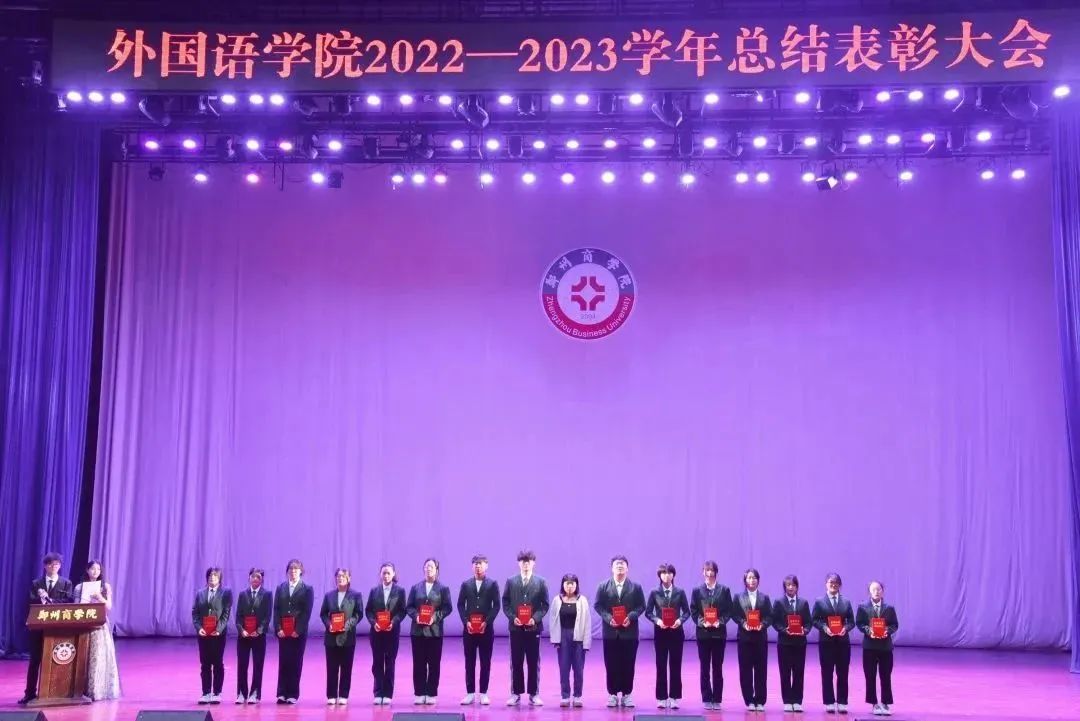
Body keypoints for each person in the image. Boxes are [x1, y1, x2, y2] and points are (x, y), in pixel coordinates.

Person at [19, 552, 73, 705]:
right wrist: (41, 598)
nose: (53, 567)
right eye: (50, 564)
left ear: (60, 566)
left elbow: (69, 601)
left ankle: (55, 692)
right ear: (45, 566)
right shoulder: (36, 583)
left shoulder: (66, 583)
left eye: (56, 564)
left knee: (57, 659)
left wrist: (50, 601)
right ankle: (29, 693)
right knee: (35, 660)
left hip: (58, 628)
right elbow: (30, 601)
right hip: (39, 627)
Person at [594, 555, 647, 708]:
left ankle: (627, 694)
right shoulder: (603, 586)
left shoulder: (635, 587)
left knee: (628, 663)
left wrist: (631, 616)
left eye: (622, 564)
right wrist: (608, 617)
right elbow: (598, 605)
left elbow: (641, 606)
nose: (620, 566)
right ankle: (612, 694)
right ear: (612, 568)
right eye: (617, 564)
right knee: (611, 664)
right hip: (610, 633)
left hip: (629, 633)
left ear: (627, 568)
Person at [502, 549, 551, 706]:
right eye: (523, 561)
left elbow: (545, 605)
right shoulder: (511, 581)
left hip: (533, 629)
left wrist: (534, 619)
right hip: (515, 628)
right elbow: (505, 602)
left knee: (533, 661)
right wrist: (513, 617)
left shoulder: (541, 582)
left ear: (533, 563)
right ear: (519, 563)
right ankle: (515, 693)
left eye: (528, 561)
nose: (525, 564)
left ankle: (534, 694)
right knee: (516, 661)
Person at [405, 558, 453, 705]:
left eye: (431, 566)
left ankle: (431, 693)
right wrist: (416, 616)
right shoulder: (415, 588)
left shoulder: (443, 588)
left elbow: (447, 608)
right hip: (418, 632)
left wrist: (435, 617)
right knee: (418, 663)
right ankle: (419, 693)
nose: (429, 569)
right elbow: (409, 607)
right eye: (426, 566)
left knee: (434, 664)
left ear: (437, 570)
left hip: (435, 632)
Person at [645, 562, 691, 709]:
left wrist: (679, 620)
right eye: (664, 573)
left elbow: (687, 612)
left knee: (675, 664)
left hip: (676, 633)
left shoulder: (680, 592)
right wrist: (658, 621)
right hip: (661, 633)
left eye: (670, 573)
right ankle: (661, 697)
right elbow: (648, 612)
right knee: (661, 665)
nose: (667, 575)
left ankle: (674, 697)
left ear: (673, 575)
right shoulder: (654, 592)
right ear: (659, 575)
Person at [74, 560, 121, 700]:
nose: (95, 572)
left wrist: (100, 597)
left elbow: (109, 607)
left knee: (98, 656)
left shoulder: (105, 586)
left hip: (100, 625)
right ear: (87, 570)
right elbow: (75, 607)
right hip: (83, 623)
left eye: (98, 569)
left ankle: (97, 690)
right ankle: (80, 689)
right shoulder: (79, 587)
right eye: (93, 569)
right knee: (84, 656)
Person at [456, 554, 500, 705]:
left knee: (485, 661)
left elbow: (496, 606)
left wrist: (486, 622)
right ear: (472, 566)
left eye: (480, 563)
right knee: (469, 661)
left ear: (486, 566)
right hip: (469, 630)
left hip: (486, 630)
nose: (478, 566)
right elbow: (460, 605)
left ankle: (483, 693)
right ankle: (469, 693)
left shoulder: (492, 584)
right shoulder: (466, 584)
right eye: (475, 563)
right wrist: (466, 622)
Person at [690, 560, 732, 711]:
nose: (709, 573)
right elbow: (694, 611)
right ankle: (707, 698)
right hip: (703, 634)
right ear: (703, 572)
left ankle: (717, 699)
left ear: (716, 572)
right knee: (704, 667)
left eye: (711, 570)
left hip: (719, 635)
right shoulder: (697, 591)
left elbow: (729, 611)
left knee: (718, 667)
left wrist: (720, 622)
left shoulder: (724, 590)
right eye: (706, 570)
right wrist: (703, 622)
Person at [812, 573, 855, 714]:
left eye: (836, 582)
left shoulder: (846, 602)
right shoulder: (819, 601)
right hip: (826, 642)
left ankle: (842, 702)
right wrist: (825, 628)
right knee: (827, 672)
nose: (833, 584)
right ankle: (829, 701)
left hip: (843, 642)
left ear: (840, 585)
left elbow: (851, 621)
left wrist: (845, 628)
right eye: (831, 582)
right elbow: (814, 620)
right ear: (826, 584)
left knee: (843, 672)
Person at [274, 558, 315, 704]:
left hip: (298, 633)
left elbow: (306, 612)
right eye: (291, 569)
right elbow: (276, 609)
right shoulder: (281, 588)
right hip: (283, 632)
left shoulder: (307, 589)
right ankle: (281, 693)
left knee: (295, 662)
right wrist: (278, 628)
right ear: (287, 572)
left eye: (296, 569)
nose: (293, 571)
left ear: (301, 571)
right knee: (284, 661)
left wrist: (298, 629)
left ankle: (292, 694)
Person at [365, 562, 407, 706]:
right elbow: (368, 610)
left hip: (392, 633)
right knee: (377, 662)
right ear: (380, 574)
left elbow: (402, 611)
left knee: (390, 662)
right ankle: (378, 692)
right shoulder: (374, 591)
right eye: (384, 573)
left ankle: (388, 693)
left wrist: (393, 622)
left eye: (389, 573)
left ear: (393, 574)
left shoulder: (400, 591)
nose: (386, 575)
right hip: (376, 633)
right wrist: (373, 623)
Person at [320, 568, 363, 706]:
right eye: (338, 576)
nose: (340, 578)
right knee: (331, 667)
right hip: (331, 637)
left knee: (346, 668)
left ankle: (344, 695)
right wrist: (329, 625)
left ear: (349, 578)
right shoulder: (329, 595)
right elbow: (323, 614)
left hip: (347, 637)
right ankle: (331, 695)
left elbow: (358, 614)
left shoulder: (355, 595)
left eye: (343, 576)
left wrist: (347, 625)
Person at [856, 581, 899, 717]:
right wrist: (869, 630)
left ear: (883, 591)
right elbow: (859, 623)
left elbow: (894, 625)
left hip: (885, 647)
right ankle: (874, 703)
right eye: (873, 589)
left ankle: (885, 703)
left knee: (885, 676)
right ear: (869, 591)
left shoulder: (889, 608)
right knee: (870, 676)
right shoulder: (863, 607)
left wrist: (887, 631)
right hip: (869, 647)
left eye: (879, 589)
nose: (876, 592)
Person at [549, 573, 592, 707]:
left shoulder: (582, 600)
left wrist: (586, 643)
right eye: (567, 584)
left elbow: (587, 622)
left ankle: (578, 696)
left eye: (572, 584)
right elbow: (553, 620)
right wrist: (555, 639)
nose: (569, 586)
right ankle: (565, 696)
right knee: (564, 668)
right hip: (563, 637)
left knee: (578, 669)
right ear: (563, 585)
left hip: (578, 637)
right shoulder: (557, 600)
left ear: (576, 585)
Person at [191, 566, 233, 704]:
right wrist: (199, 628)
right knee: (205, 663)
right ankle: (206, 692)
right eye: (210, 576)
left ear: (219, 578)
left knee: (217, 662)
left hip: (218, 634)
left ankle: (217, 692)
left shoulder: (226, 593)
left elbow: (226, 614)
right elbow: (195, 613)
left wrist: (218, 629)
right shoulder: (200, 593)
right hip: (203, 635)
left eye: (215, 576)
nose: (212, 578)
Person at [731, 568, 771, 712]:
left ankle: (760, 700)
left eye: (754, 578)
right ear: (745, 580)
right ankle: (749, 700)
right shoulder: (738, 597)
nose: (752, 580)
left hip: (760, 638)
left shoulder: (764, 598)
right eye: (749, 578)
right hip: (745, 638)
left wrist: (762, 624)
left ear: (758, 580)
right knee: (745, 669)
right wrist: (743, 623)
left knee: (761, 670)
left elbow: (769, 616)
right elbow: (735, 614)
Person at [772, 575, 812, 713]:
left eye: (793, 585)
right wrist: (784, 630)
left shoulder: (803, 603)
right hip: (784, 643)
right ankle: (787, 701)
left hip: (800, 643)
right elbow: (775, 622)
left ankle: (798, 701)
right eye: (788, 585)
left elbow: (808, 622)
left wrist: (804, 630)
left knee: (799, 672)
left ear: (797, 587)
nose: (791, 587)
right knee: (785, 673)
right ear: (784, 587)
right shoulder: (779, 602)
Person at [234, 567, 272, 704]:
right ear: (249, 578)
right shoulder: (242, 594)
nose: (255, 579)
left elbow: (267, 616)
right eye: (253, 576)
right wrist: (241, 630)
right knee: (242, 665)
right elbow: (238, 615)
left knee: (257, 665)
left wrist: (259, 630)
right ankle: (241, 693)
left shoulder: (267, 594)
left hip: (258, 636)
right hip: (243, 636)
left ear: (262, 580)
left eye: (258, 577)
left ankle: (255, 693)